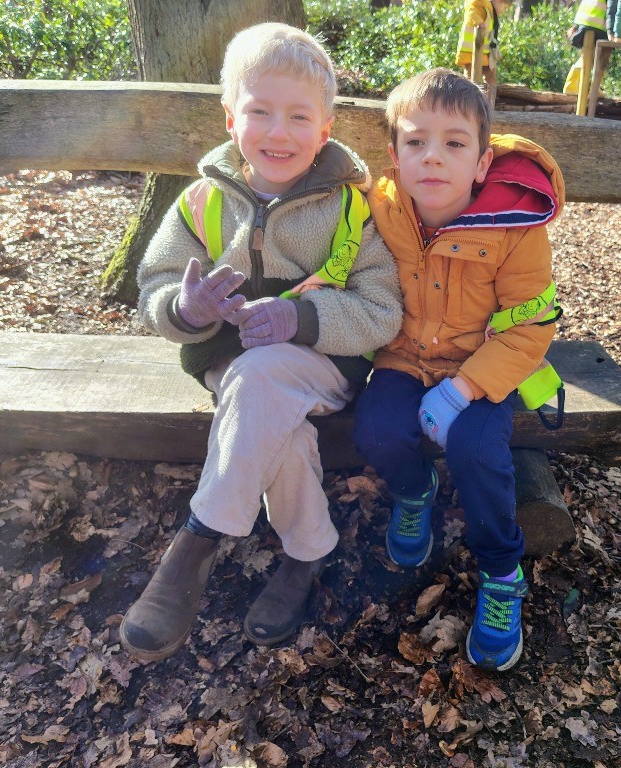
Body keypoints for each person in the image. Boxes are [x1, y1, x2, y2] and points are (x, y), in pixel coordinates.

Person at [120, 22, 403, 662]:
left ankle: (198, 538)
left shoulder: (351, 210)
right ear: (231, 118)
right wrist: (186, 309)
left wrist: (302, 320)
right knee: (279, 423)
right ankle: (309, 553)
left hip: (323, 368)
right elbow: (155, 286)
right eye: (260, 112)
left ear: (325, 130)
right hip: (228, 364)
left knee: (265, 376)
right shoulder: (201, 201)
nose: (279, 132)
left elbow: (382, 310)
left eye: (299, 116)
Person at [353, 68, 565, 672]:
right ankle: (414, 489)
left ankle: (501, 570)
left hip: (484, 365)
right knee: (376, 429)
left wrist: (463, 389)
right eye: (416, 142)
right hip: (403, 356)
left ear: (481, 162)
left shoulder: (515, 228)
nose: (433, 157)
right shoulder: (379, 208)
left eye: (453, 143)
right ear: (394, 156)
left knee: (476, 450)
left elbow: (530, 325)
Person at [455, 0, 512, 102]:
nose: (503, 11)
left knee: (491, 77)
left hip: (485, 54)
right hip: (471, 53)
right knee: (470, 79)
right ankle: (468, 102)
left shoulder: (490, 11)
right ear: (497, 1)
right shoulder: (480, 5)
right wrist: (479, 22)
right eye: (504, 8)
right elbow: (471, 13)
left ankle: (490, 101)